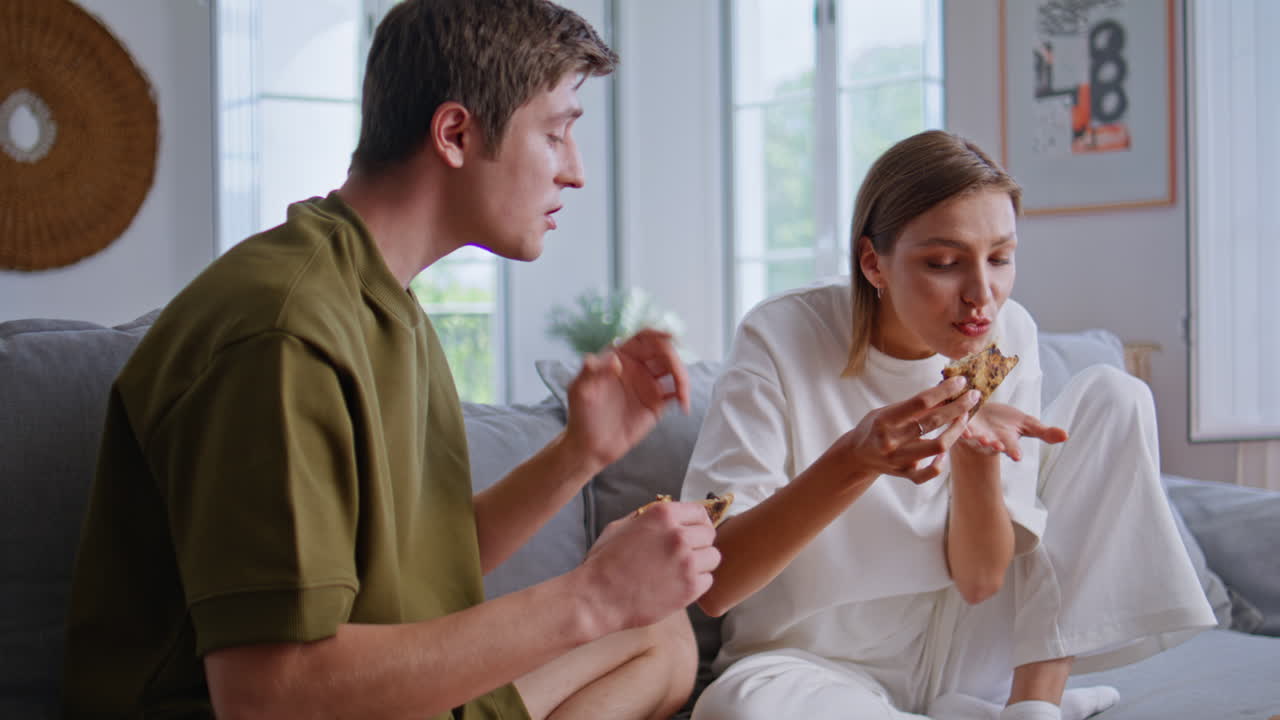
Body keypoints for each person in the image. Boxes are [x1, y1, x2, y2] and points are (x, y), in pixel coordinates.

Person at [62, 2, 720, 718]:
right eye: (557, 133)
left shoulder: (385, 302)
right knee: (633, 624)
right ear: (455, 134)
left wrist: (579, 454)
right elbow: (265, 697)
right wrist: (591, 597)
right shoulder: (281, 335)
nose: (576, 173)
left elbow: (418, 565)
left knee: (662, 636)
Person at [681, 130, 1216, 720]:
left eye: (1001, 258)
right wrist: (852, 462)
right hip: (813, 665)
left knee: (1117, 397)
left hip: (970, 654)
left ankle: (1033, 707)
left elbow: (982, 581)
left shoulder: (1006, 336)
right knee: (735, 709)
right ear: (872, 263)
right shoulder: (782, 337)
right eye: (943, 263)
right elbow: (718, 584)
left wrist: (976, 460)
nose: (981, 296)